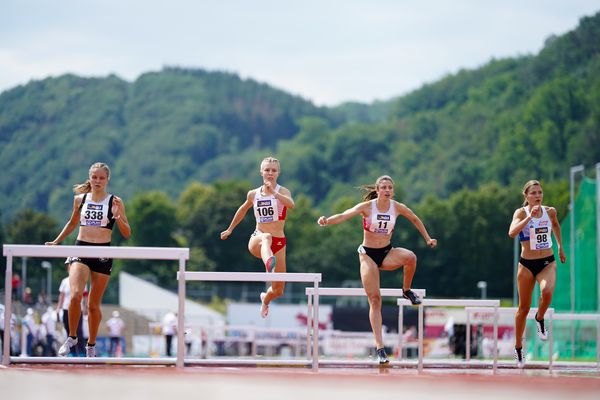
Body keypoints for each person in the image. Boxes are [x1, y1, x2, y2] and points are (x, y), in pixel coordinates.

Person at [317, 175, 437, 364]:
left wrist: (428, 238)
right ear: (378, 189)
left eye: (390, 187)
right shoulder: (367, 207)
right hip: (367, 255)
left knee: (411, 257)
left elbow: (414, 218)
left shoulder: (397, 207)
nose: (387, 190)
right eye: (384, 187)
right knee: (375, 299)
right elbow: (344, 215)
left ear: (393, 190)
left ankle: (406, 291)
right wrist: (327, 221)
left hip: (387, 253)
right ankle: (380, 348)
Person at [46, 162, 131, 358]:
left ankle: (91, 345)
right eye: (94, 177)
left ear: (107, 179)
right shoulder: (80, 199)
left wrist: (118, 218)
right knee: (75, 295)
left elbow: (127, 233)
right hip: (81, 249)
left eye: (101, 178)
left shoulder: (115, 201)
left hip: (102, 253)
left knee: (93, 305)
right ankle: (72, 336)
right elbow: (72, 222)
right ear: (90, 178)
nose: (97, 181)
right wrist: (57, 241)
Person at [220, 157, 295, 318]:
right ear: (261, 172)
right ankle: (269, 264)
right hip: (258, 239)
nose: (270, 173)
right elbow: (242, 209)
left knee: (278, 290)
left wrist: (274, 193)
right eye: (267, 170)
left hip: (279, 243)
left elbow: (291, 205)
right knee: (266, 236)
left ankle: (265, 299)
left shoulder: (282, 191)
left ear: (278, 173)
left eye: (273, 170)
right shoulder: (254, 194)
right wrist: (230, 229)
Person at [508, 180, 565, 368]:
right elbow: (512, 233)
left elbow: (556, 226)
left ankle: (540, 318)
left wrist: (560, 246)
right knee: (523, 309)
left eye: (540, 192)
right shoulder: (520, 213)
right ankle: (518, 348)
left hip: (547, 261)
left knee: (547, 291)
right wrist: (529, 219)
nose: (538, 196)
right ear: (526, 196)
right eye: (533, 193)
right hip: (526, 264)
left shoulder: (550, 212)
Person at [56, 268, 88, 356]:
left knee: (79, 332)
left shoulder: (82, 280)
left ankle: (81, 352)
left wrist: (85, 307)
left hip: (78, 310)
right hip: (66, 309)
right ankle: (72, 352)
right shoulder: (65, 281)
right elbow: (62, 295)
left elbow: (85, 295)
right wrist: (59, 307)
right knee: (68, 331)